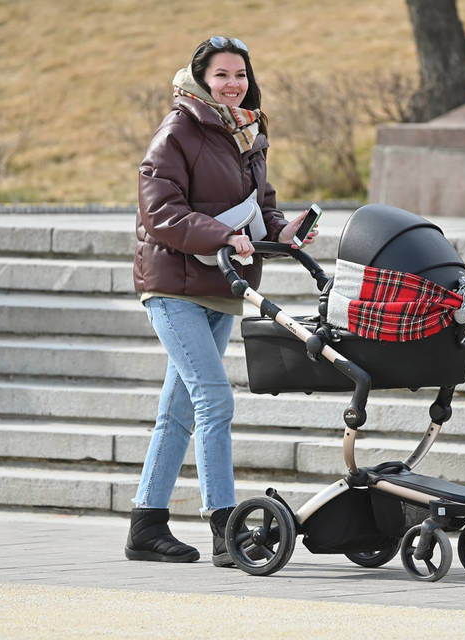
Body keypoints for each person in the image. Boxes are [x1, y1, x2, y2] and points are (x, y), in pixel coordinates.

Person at [127, 36, 316, 566]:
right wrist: (218, 235)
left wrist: (286, 229)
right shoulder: (178, 131)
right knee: (215, 400)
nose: (233, 84)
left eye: (240, 75)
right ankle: (224, 529)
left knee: (178, 411)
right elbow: (159, 211)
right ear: (200, 79)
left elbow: (260, 205)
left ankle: (146, 526)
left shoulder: (248, 131)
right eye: (221, 76)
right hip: (173, 285)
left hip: (218, 286)